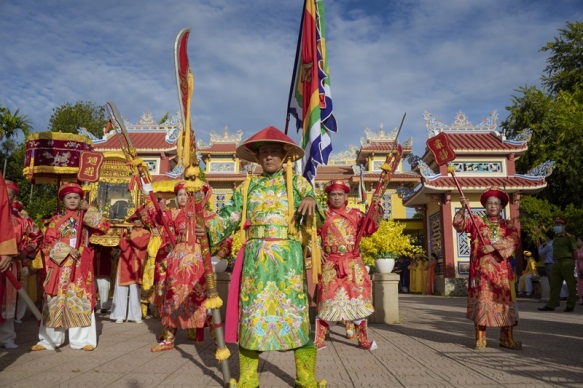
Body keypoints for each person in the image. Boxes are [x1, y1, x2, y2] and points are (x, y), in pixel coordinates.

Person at [202, 126, 324, 387]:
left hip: (288, 261)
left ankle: (306, 378)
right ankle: (248, 379)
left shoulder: (299, 183)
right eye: (264, 153)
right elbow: (229, 217)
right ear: (257, 158)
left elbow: (318, 216)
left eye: (274, 152)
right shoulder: (248, 187)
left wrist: (312, 201)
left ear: (285, 156)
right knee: (252, 318)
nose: (269, 157)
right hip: (255, 262)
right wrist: (207, 228)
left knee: (296, 317)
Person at [32, 183, 110, 351]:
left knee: (79, 298)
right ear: (63, 200)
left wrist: (89, 208)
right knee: (55, 299)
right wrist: (66, 249)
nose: (73, 200)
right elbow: (47, 243)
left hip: (80, 264)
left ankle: (81, 340)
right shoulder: (54, 220)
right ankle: (49, 340)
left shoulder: (85, 215)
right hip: (59, 265)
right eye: (69, 198)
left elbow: (104, 226)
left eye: (76, 198)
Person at [142, 180, 212, 352]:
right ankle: (168, 339)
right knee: (173, 297)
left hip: (198, 260)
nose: (182, 197)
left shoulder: (205, 214)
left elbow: (221, 230)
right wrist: (147, 195)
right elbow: (156, 215)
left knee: (202, 298)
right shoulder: (173, 214)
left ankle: (218, 340)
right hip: (177, 261)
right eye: (179, 194)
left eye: (185, 194)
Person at [313, 179, 381, 351]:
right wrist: (316, 248)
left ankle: (363, 340)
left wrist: (376, 210)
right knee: (328, 299)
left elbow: (369, 229)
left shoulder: (356, 214)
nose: (336, 198)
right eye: (333, 194)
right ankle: (319, 339)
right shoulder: (321, 216)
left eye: (340, 194)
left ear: (346, 197)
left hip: (352, 263)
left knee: (356, 300)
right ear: (328, 197)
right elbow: (309, 235)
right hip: (331, 263)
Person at [452, 186, 521, 350]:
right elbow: (459, 224)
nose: (492, 206)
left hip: (502, 273)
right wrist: (462, 208)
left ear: (501, 207)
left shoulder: (508, 224)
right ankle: (480, 338)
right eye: (489, 203)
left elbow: (514, 239)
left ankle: (507, 338)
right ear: (485, 206)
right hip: (482, 273)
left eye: (496, 203)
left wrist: (494, 247)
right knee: (483, 302)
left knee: (505, 304)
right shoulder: (477, 222)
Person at [110, 209, 150, 324]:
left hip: (138, 264)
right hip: (125, 264)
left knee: (135, 291)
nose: (137, 222)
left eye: (139, 220)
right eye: (135, 220)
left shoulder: (146, 233)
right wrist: (127, 236)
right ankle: (119, 315)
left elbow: (141, 244)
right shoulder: (125, 233)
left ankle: (135, 316)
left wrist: (130, 237)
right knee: (121, 290)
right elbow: (122, 246)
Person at [538, 217, 578, 312]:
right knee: (554, 284)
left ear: (564, 226)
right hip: (556, 263)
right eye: (555, 225)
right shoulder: (556, 238)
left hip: (567, 262)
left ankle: (570, 305)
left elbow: (575, 251)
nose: (557, 227)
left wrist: (574, 263)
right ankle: (551, 305)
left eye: (559, 225)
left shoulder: (569, 237)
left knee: (570, 284)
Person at [0, 175, 19, 349]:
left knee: (8, 301)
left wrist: (18, 254)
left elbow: (32, 239)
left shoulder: (22, 220)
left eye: (10, 193)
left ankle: (7, 337)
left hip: (11, 264)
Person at [537, 229, 554, 302]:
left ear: (547, 237)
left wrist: (540, 246)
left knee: (551, 282)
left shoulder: (549, 245)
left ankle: (553, 299)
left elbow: (541, 253)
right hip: (555, 263)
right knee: (554, 282)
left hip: (549, 264)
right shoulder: (555, 244)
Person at [576, 237, 583, 305]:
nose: (577, 242)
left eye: (578, 241)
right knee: (580, 284)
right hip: (579, 270)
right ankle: (581, 297)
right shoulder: (578, 250)